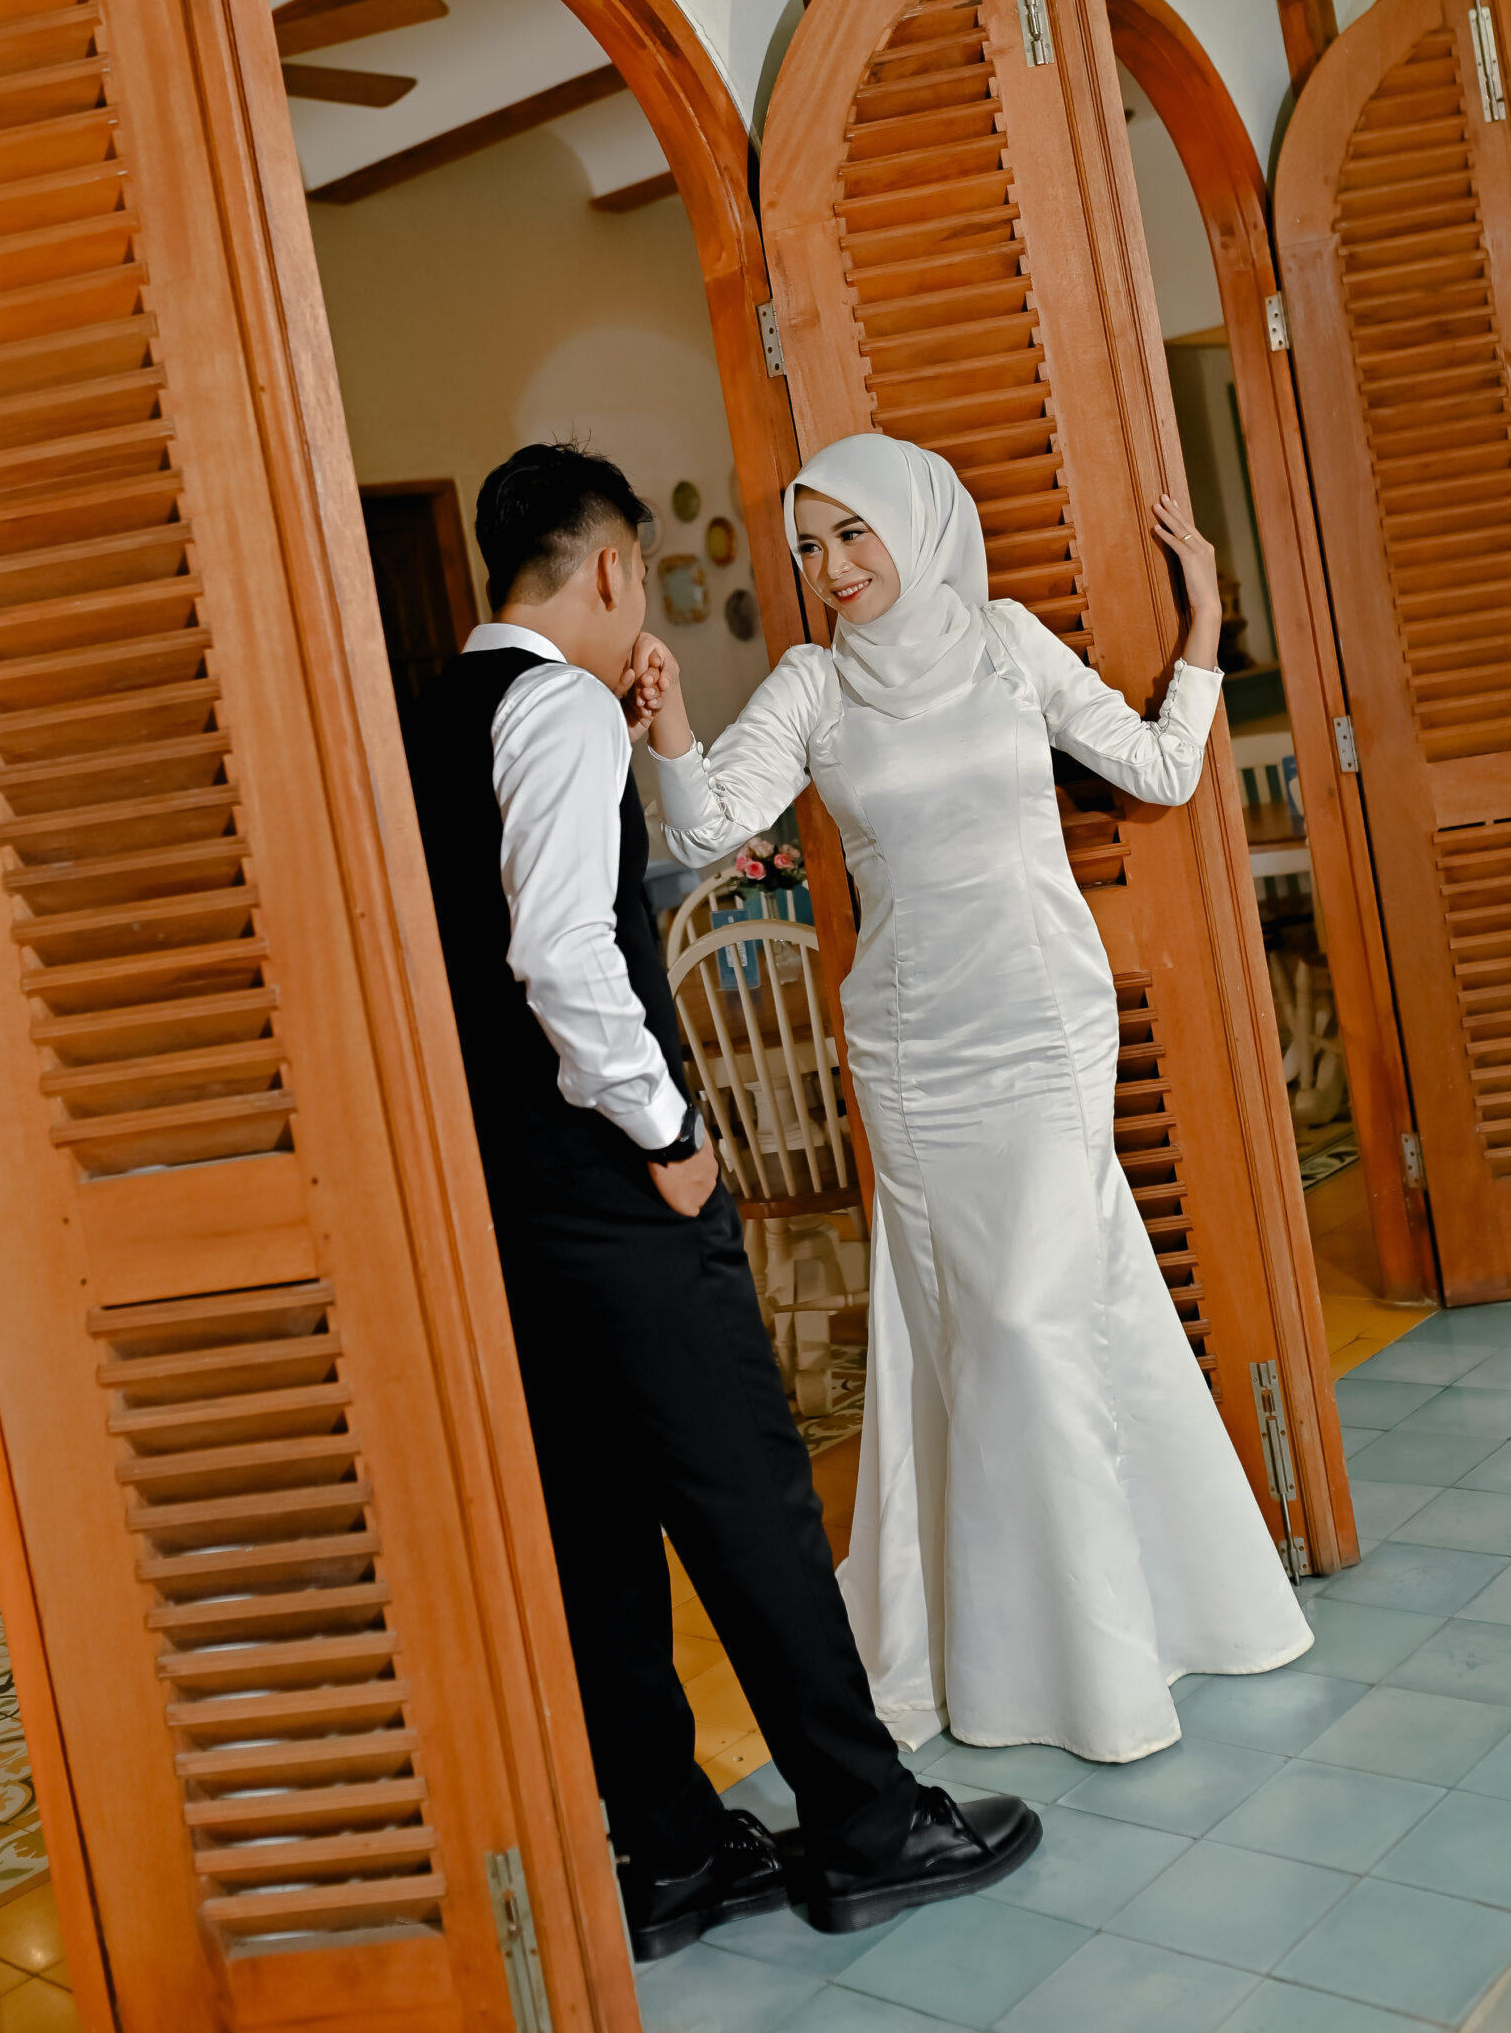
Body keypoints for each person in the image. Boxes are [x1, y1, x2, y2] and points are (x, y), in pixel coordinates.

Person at [407, 442, 1039, 1963]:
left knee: (596, 1534)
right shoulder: (560, 707)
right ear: (611, 566)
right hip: (614, 1187)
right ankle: (869, 1829)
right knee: (750, 1500)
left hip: (498, 1200)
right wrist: (671, 1128)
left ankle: (675, 1854)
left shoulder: (426, 711)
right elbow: (564, 956)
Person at [637, 432, 1312, 1765]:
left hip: (1047, 1031)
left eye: (853, 533)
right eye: (810, 546)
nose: (832, 566)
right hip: (913, 1056)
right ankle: (1024, 1657)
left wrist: (1204, 624)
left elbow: (1160, 770)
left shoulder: (1008, 644)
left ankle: (1118, 1647)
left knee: (1037, 1320)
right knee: (988, 1333)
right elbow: (706, 827)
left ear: (917, 523)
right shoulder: (813, 686)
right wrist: (664, 726)